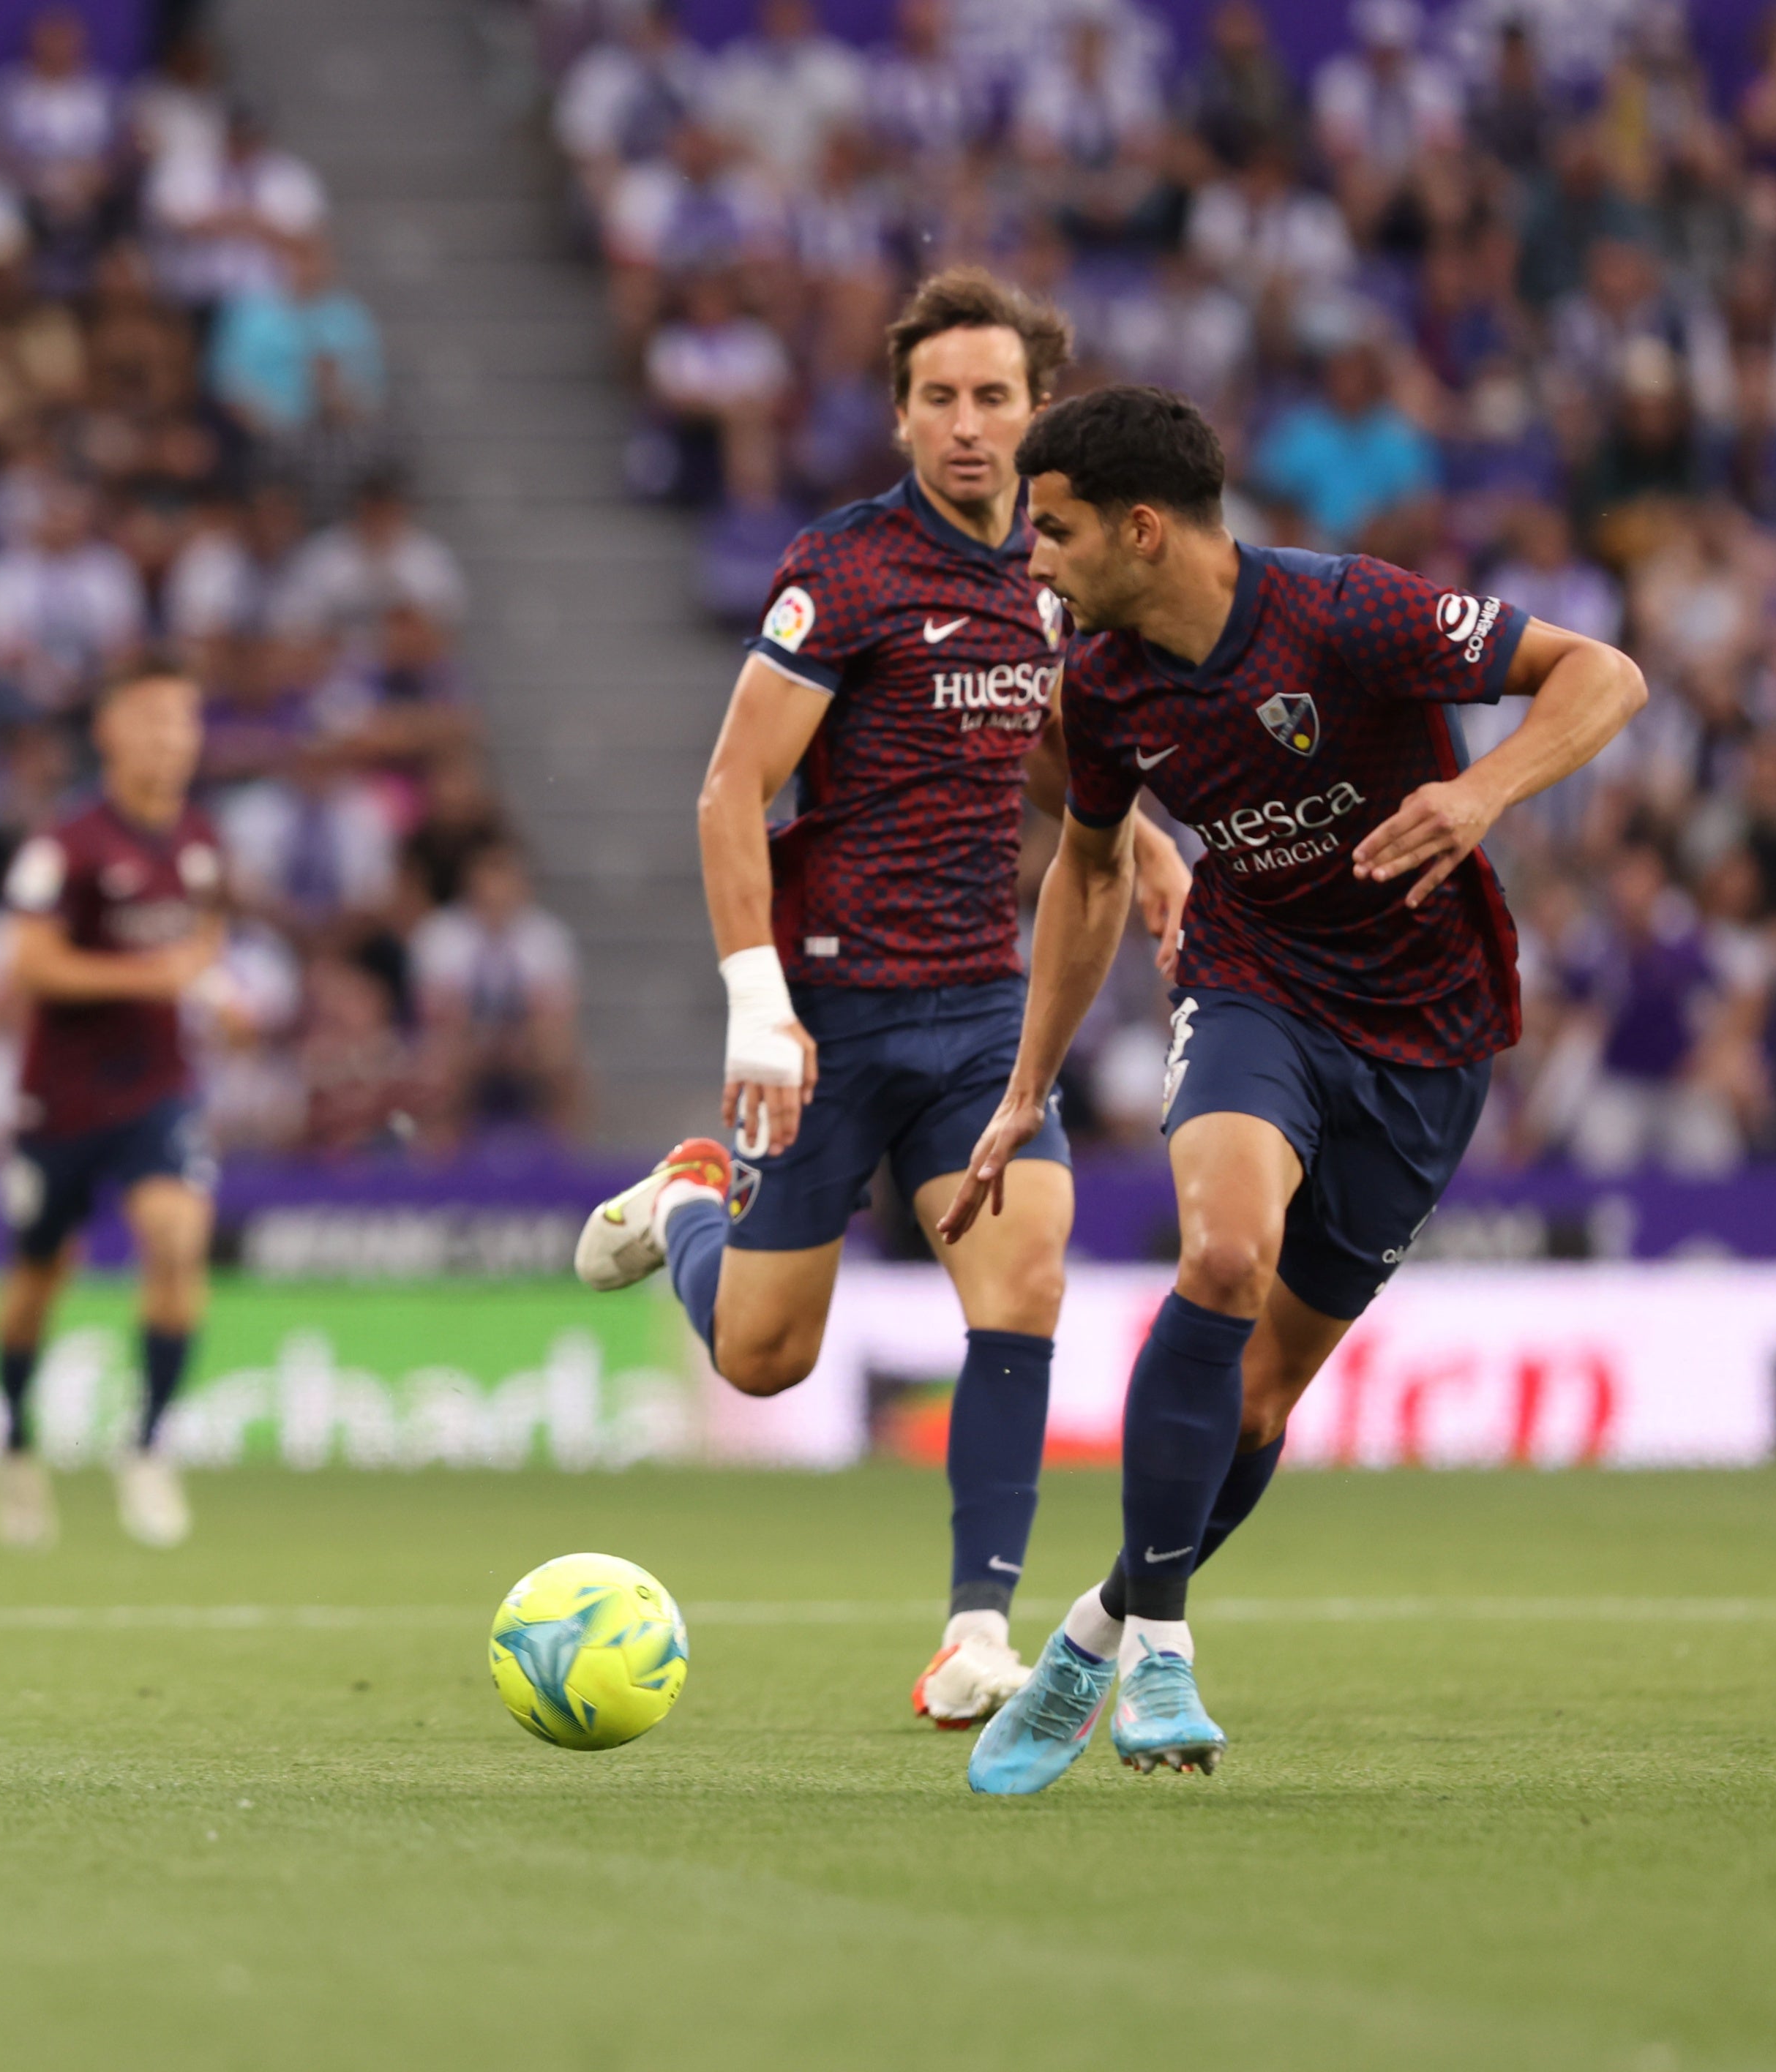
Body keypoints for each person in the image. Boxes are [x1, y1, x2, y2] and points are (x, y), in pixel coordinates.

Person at [945, 386, 1644, 1792]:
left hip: (1428, 1034)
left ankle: (1097, 1625)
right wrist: (1027, 1087)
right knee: (1222, 1251)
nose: (1034, 558)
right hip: (1253, 986)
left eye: (1057, 529)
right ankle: (1163, 1652)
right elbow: (1086, 874)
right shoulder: (1101, 684)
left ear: (1143, 529)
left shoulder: (1347, 614)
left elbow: (1604, 675)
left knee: (1259, 1400)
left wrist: (1482, 790)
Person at [572, 271, 1189, 1727]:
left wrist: (1141, 842)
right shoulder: (840, 571)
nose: (964, 427)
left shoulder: (1054, 579)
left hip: (982, 1009)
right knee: (766, 1358)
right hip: (830, 1015)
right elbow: (732, 789)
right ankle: (687, 1208)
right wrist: (753, 1004)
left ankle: (978, 1630)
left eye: (990, 399)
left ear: (1038, 411)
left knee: (1024, 1277)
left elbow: (1030, 735)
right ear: (900, 414)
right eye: (936, 400)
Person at [0, 669, 225, 1553]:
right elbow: (29, 962)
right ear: (112, 731)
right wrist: (151, 978)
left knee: (175, 1239)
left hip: (159, 1086)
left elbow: (202, 943)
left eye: (186, 720)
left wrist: (217, 988)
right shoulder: (68, 845)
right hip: (63, 1097)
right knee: (38, 1282)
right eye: (157, 718)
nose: (174, 736)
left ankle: (151, 1445)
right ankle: (14, 1443)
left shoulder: (200, 840)